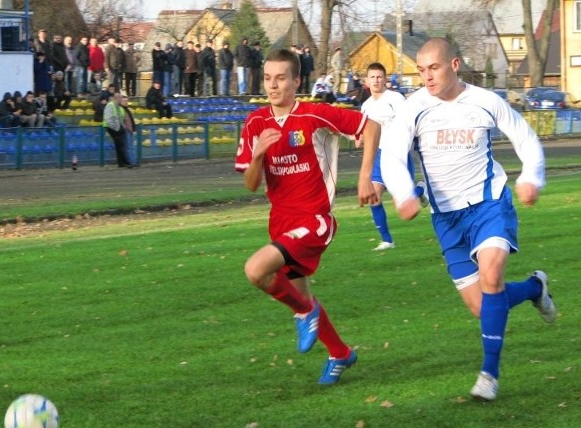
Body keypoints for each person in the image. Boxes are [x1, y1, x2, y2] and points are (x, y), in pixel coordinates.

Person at [380, 37, 557, 401]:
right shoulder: (414, 108)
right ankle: (534, 288)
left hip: (488, 203)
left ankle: (489, 375)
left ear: (454, 65)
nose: (426, 77)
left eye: (434, 68)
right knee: (482, 306)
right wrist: (402, 192)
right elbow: (392, 155)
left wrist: (530, 177)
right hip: (446, 219)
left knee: (492, 276)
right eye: (421, 70)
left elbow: (525, 138)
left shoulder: (486, 101)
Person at [234, 48, 381, 385]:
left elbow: (370, 126)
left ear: (297, 81)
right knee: (303, 295)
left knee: (256, 270)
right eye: (268, 78)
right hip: (280, 223)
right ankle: (340, 352)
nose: (273, 86)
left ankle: (305, 313)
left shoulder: (314, 115)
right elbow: (252, 184)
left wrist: (364, 177)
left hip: (314, 220)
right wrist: (257, 156)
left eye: (281, 78)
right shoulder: (255, 122)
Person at [359, 62, 426, 251]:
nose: (376, 80)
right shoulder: (366, 106)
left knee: (405, 206)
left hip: (397, 153)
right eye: (372, 77)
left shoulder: (395, 99)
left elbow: (410, 121)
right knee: (374, 198)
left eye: (379, 76)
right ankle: (387, 240)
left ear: (385, 79)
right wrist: (361, 139)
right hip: (378, 155)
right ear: (366, 81)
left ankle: (421, 191)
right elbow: (366, 131)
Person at [103, 92, 131, 168]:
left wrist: (122, 126)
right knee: (120, 144)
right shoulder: (110, 105)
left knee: (119, 145)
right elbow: (108, 119)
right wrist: (116, 129)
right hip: (111, 127)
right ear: (117, 98)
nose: (121, 99)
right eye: (120, 98)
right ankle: (125, 162)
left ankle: (122, 163)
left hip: (116, 127)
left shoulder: (118, 107)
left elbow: (120, 118)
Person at [120, 96, 137, 166]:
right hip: (126, 130)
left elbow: (132, 120)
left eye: (126, 101)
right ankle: (131, 161)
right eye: (124, 101)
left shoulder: (128, 110)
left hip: (130, 130)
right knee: (129, 147)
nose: (126, 102)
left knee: (131, 147)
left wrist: (134, 129)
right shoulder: (121, 110)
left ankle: (133, 161)